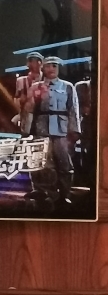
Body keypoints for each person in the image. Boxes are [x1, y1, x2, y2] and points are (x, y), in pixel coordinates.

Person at [28, 56, 80, 206]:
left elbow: (73, 109)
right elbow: (29, 111)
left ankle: (65, 194)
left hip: (62, 131)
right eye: (48, 66)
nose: (51, 69)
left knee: (65, 164)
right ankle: (49, 194)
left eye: (54, 66)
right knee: (45, 164)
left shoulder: (68, 87)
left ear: (58, 68)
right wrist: (27, 131)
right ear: (43, 69)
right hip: (41, 130)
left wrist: (75, 130)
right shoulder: (35, 87)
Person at [12, 51, 43, 134]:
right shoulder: (21, 81)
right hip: (27, 117)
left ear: (41, 63)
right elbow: (16, 98)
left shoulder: (46, 80)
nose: (34, 64)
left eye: (36, 61)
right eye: (31, 61)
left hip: (43, 117)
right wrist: (20, 111)